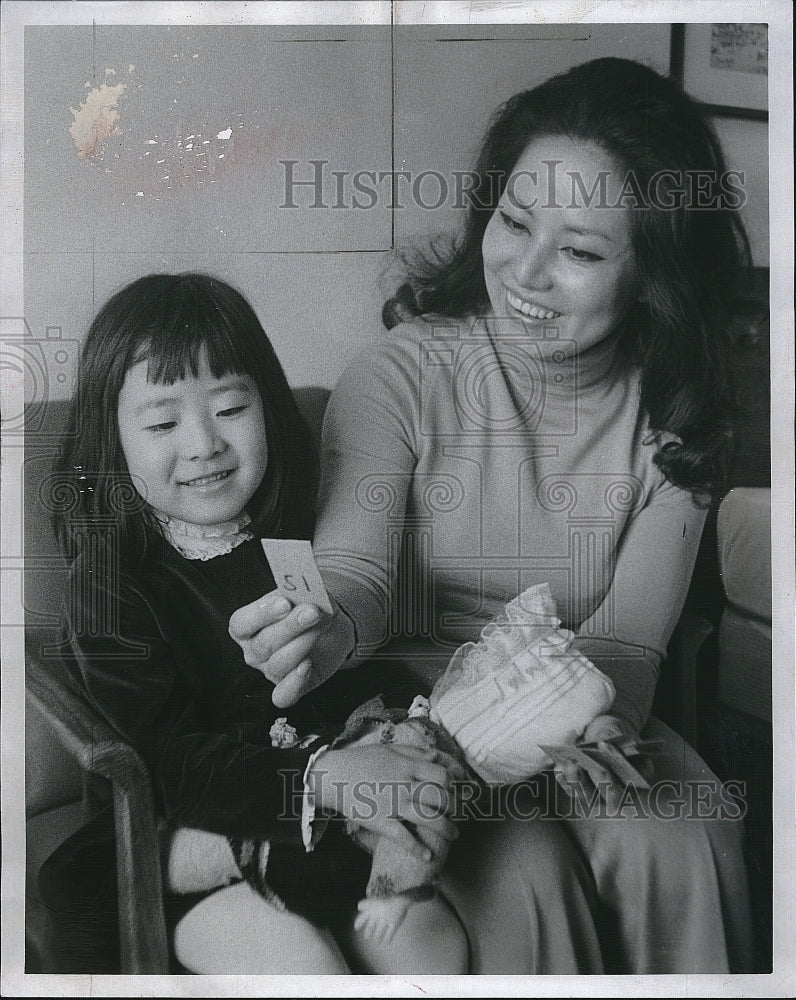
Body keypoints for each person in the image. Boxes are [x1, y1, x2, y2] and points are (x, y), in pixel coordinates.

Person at [229, 57, 756, 973]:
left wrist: (583, 723)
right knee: (522, 873)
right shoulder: (398, 374)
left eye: (583, 251)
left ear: (654, 277)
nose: (526, 271)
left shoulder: (677, 414)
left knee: (683, 833)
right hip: (411, 706)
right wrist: (318, 628)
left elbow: (631, 642)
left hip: (591, 696)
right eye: (514, 222)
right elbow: (356, 577)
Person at [42, 271, 468, 975]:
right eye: (162, 422)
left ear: (268, 409)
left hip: (324, 829)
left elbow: (336, 679)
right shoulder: (112, 584)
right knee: (301, 964)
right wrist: (323, 775)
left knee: (436, 947)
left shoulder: (297, 544)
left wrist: (407, 732)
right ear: (112, 443)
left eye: (230, 407)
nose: (204, 443)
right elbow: (167, 761)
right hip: (186, 835)